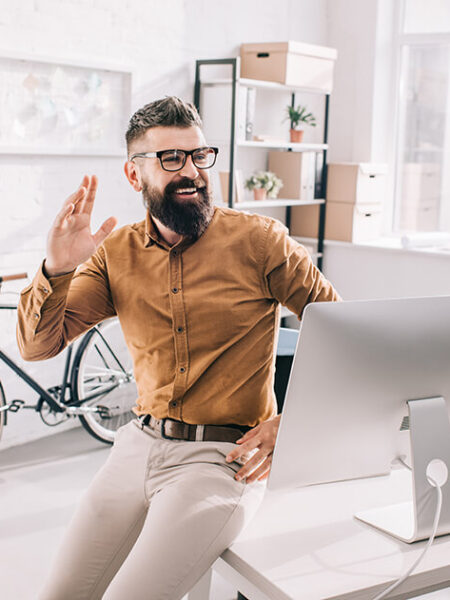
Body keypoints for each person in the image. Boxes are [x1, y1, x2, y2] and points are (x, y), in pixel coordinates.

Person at [17, 96, 341, 600]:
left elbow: (345, 336)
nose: (191, 171)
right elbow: (39, 347)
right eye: (171, 159)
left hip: (221, 459)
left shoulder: (261, 242)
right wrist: (57, 270)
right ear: (134, 175)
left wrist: (292, 421)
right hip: (138, 446)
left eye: (198, 155)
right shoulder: (115, 254)